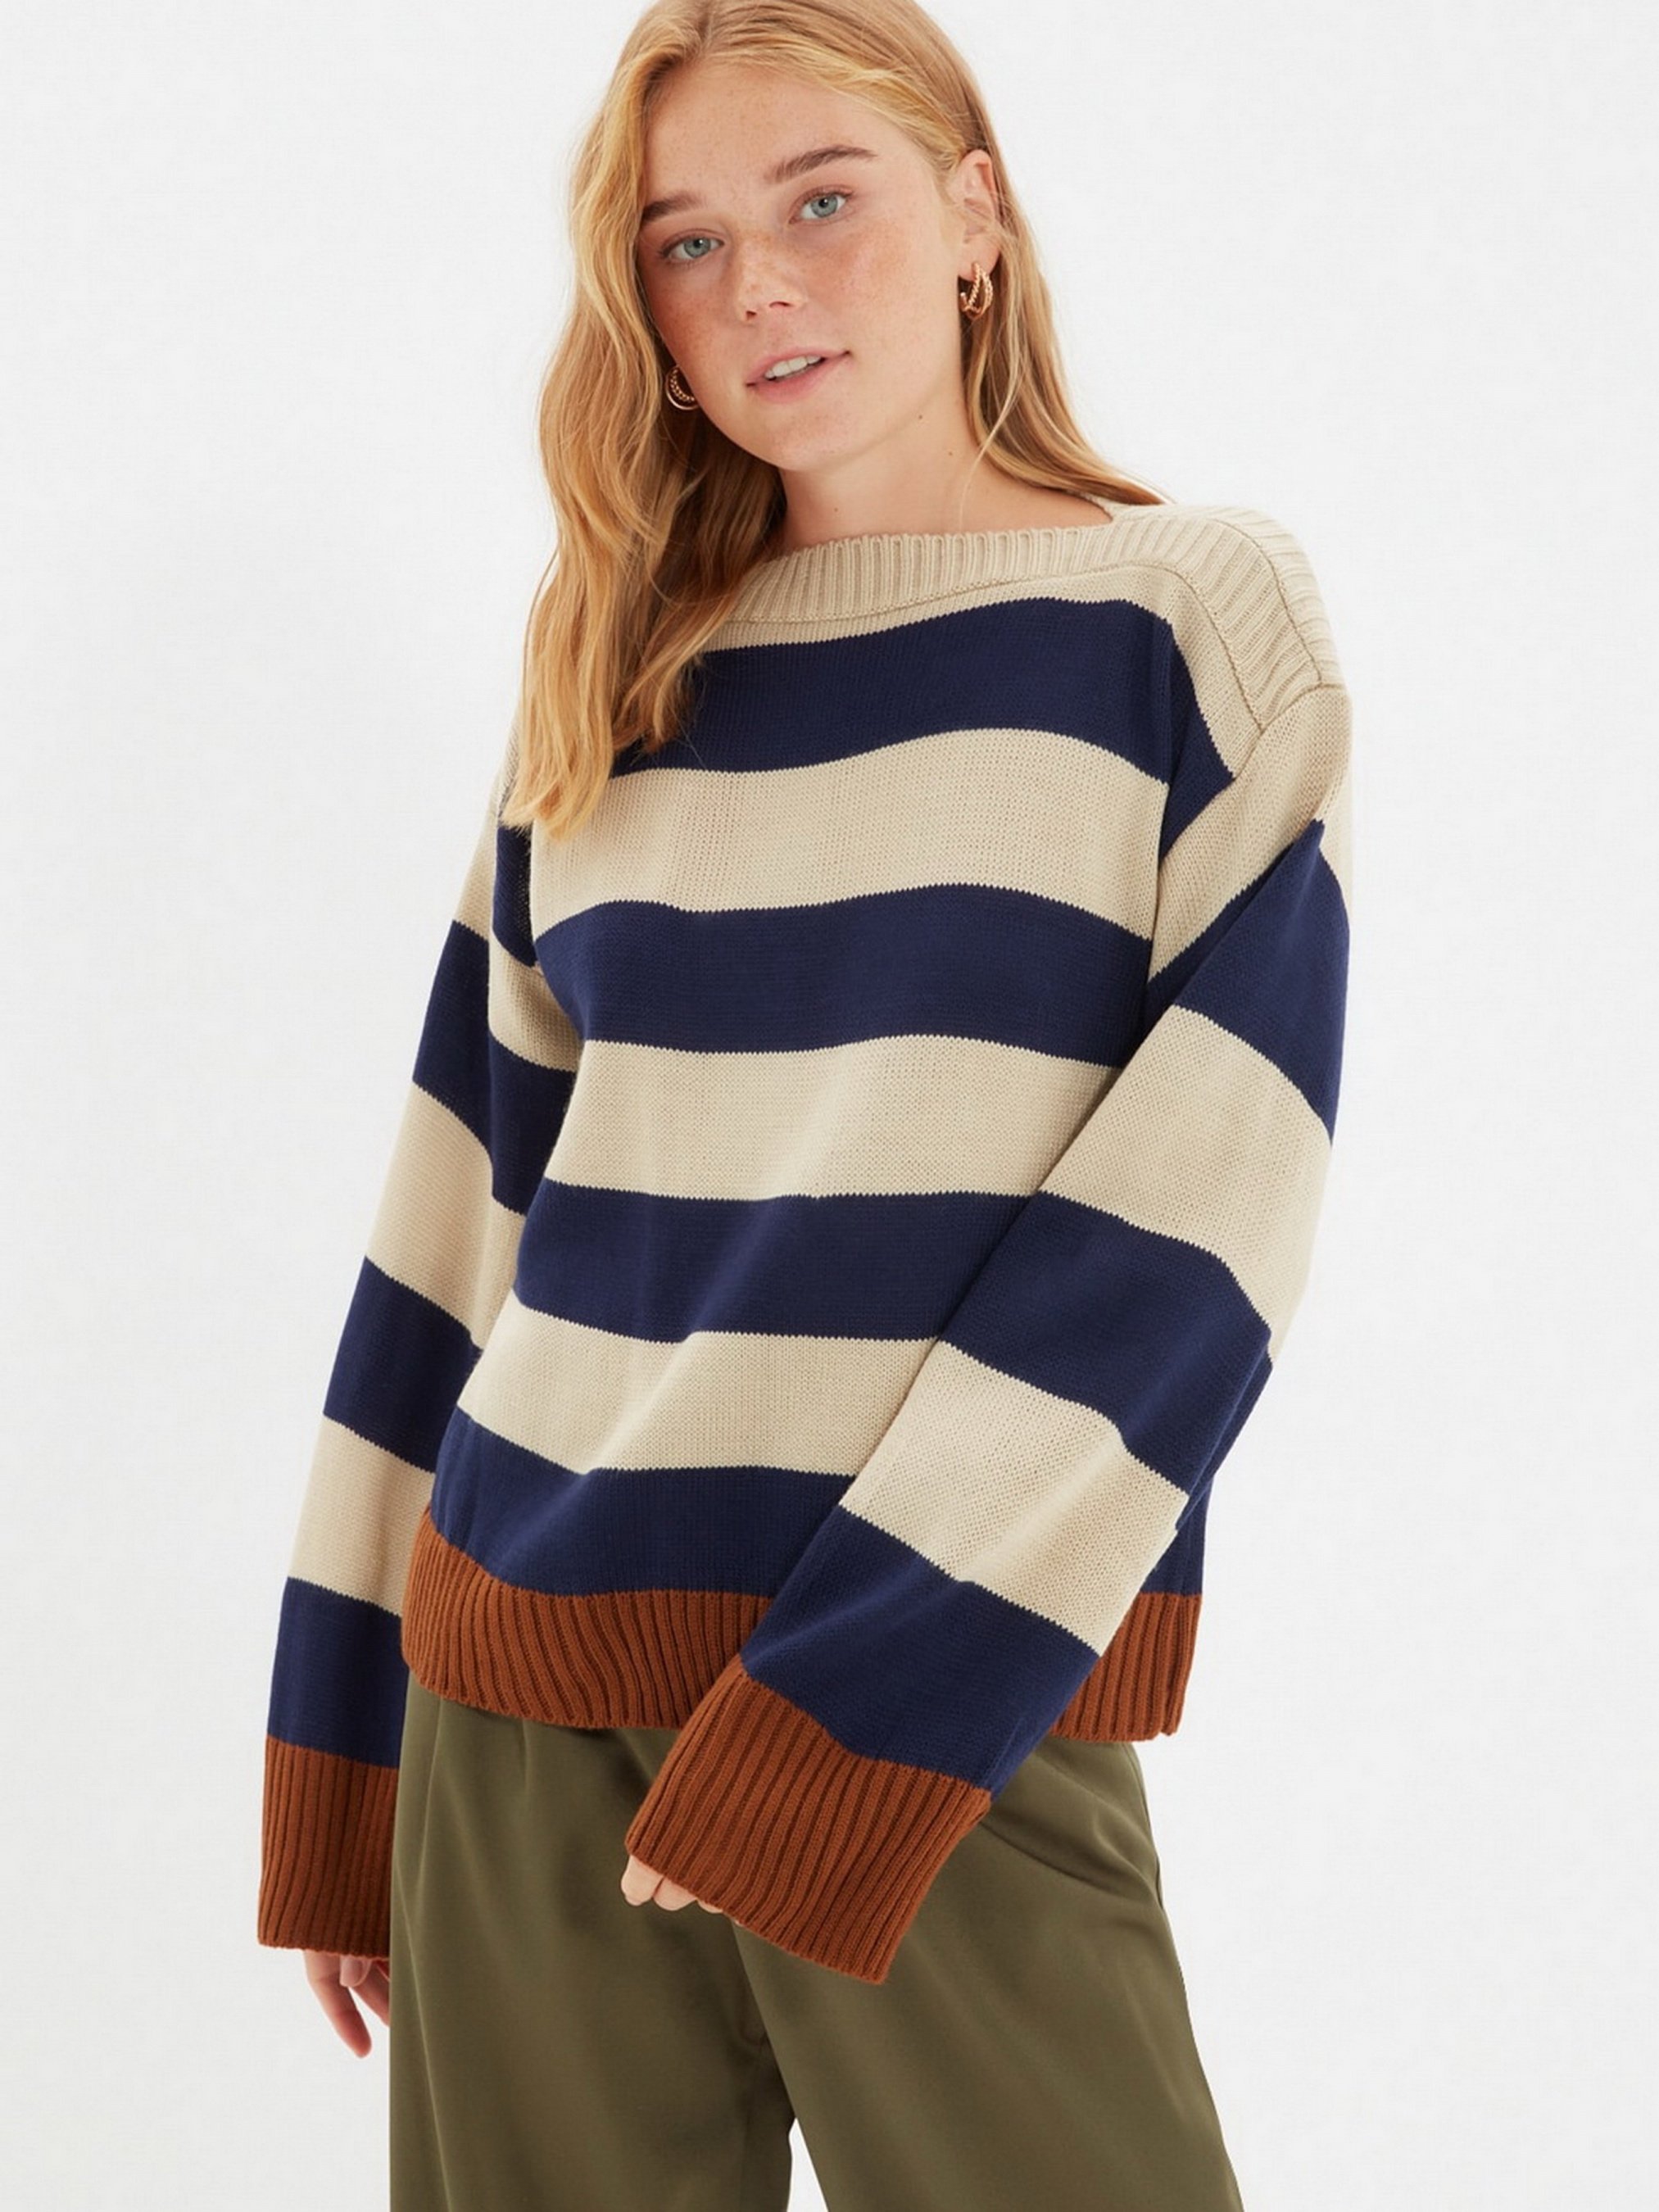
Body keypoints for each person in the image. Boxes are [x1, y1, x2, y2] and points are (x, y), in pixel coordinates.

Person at [256, 2, 1354, 2205]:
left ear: (973, 216)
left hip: (946, 1709)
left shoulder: (1175, 620)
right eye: (685, 243)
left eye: (820, 201)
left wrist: (867, 1697)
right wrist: (345, 1757)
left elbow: (1200, 1219)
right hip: (523, 1700)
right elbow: (459, 1214)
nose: (757, 284)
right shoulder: (614, 664)